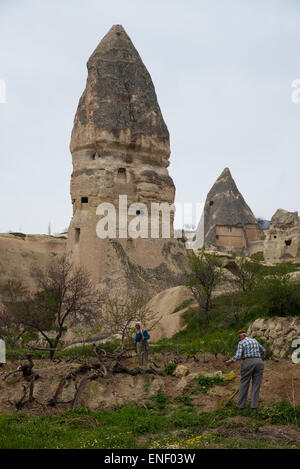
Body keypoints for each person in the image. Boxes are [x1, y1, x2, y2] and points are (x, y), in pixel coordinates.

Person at [225, 329, 265, 410]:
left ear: (241, 336)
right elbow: (263, 350)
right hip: (259, 362)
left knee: (244, 383)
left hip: (248, 362)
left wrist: (230, 361)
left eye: (239, 338)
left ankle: (240, 406)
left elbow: (238, 356)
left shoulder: (241, 342)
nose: (239, 339)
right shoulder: (254, 340)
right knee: (256, 385)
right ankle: (254, 407)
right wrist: (258, 358)